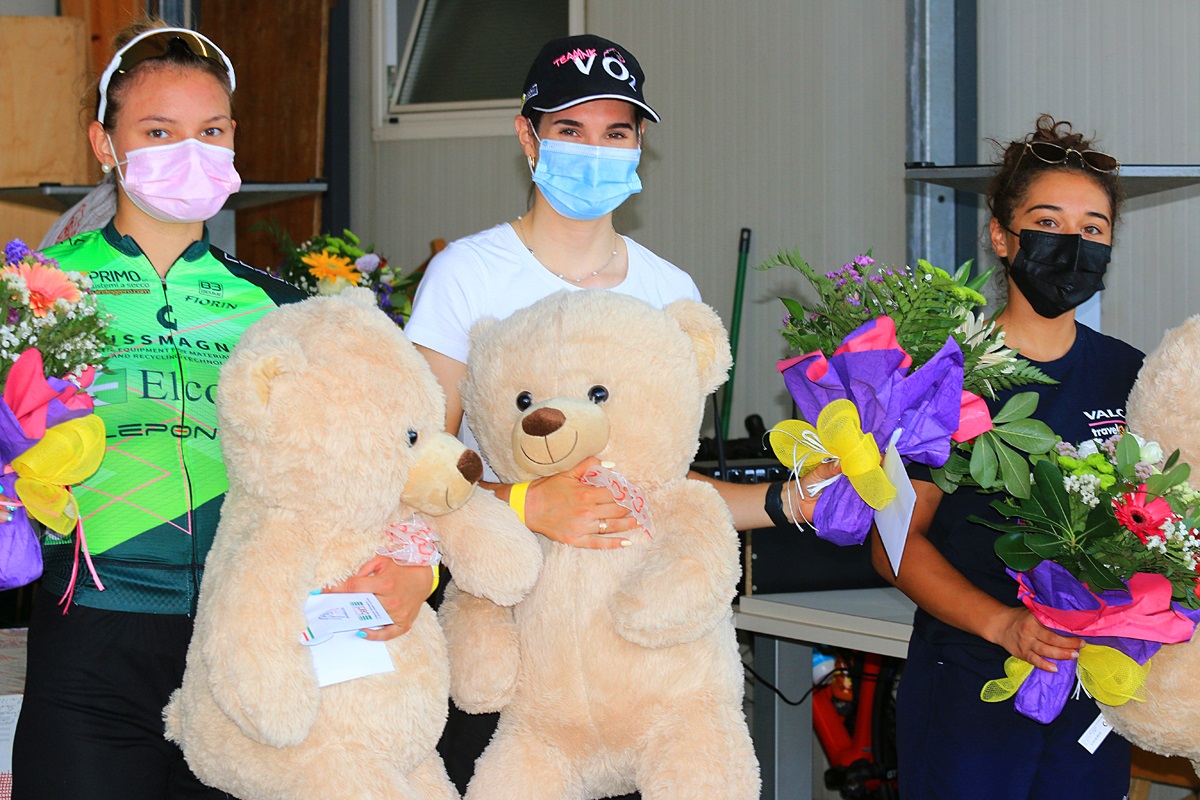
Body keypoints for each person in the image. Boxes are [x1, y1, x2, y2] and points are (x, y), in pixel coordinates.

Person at [11, 22, 430, 799]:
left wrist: (418, 564)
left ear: (234, 139)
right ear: (105, 143)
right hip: (93, 639)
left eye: (210, 131)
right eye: (159, 131)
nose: (189, 151)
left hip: (250, 640)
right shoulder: (34, 288)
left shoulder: (286, 310)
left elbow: (391, 461)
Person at [405, 33, 830, 794]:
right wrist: (527, 503)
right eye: (570, 129)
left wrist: (794, 498)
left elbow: (669, 488)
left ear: (639, 147)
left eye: (616, 133)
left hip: (640, 665)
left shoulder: (669, 289)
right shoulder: (466, 276)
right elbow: (417, 468)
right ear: (527, 134)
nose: (593, 150)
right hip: (516, 645)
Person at [872, 115, 1142, 799]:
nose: (1071, 244)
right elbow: (892, 542)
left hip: (1090, 687)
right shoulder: (946, 378)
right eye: (1048, 222)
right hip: (972, 685)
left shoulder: (1132, 378)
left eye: (1093, 229)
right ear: (1001, 235)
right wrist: (1003, 624)